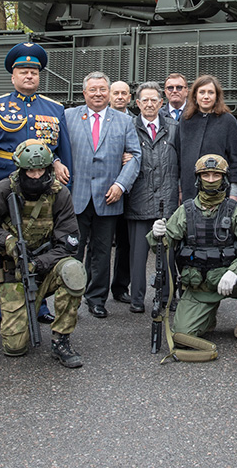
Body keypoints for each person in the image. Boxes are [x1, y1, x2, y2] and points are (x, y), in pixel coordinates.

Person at [0, 42, 73, 330]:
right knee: (4, 249)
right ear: (13, 75)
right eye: (23, 71)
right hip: (7, 188)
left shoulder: (55, 108)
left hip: (43, 190)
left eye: (33, 71)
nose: (29, 76)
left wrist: (59, 165)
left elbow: (64, 153)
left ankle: (39, 303)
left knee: (39, 245)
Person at [0, 140, 87, 367]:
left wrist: (39, 263)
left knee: (74, 271)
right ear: (20, 169)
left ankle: (61, 339)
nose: (35, 176)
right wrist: (9, 242)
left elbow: (69, 242)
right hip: (15, 271)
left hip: (46, 267)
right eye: (30, 171)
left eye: (40, 170)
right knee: (15, 348)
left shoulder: (59, 193)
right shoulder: (3, 190)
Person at [150, 155, 237, 347]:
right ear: (198, 178)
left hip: (230, 280)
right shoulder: (186, 211)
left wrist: (235, 270)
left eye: (215, 175)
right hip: (200, 286)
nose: (210, 179)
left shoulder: (235, 212)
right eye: (205, 175)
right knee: (182, 338)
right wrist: (157, 234)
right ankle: (207, 317)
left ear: (223, 178)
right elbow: (162, 247)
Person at [64, 71, 141, 318]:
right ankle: (68, 299)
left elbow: (135, 156)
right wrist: (55, 162)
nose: (98, 94)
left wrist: (120, 185)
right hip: (75, 197)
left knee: (102, 252)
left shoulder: (125, 121)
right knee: (72, 251)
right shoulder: (68, 117)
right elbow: (55, 148)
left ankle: (96, 298)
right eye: (93, 90)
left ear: (108, 93)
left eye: (102, 89)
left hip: (108, 197)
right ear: (84, 93)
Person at [126, 81, 179, 313]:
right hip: (138, 198)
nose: (149, 104)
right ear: (137, 104)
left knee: (167, 255)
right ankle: (137, 300)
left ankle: (167, 297)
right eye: (144, 100)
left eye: (153, 100)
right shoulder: (128, 127)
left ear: (161, 103)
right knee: (137, 257)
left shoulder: (175, 127)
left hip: (166, 200)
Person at [177, 75, 237, 204]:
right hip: (190, 190)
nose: (206, 96)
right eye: (202, 92)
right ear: (195, 95)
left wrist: (234, 193)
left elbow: (236, 159)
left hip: (219, 191)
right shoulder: (185, 120)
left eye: (210, 92)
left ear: (217, 96)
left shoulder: (228, 121)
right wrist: (180, 189)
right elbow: (179, 157)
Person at [108, 79, 135, 305]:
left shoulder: (135, 122)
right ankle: (91, 288)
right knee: (101, 244)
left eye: (123, 93)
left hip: (128, 191)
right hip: (103, 190)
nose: (119, 97)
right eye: (115, 93)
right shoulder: (99, 118)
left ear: (129, 97)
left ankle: (120, 287)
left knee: (125, 243)